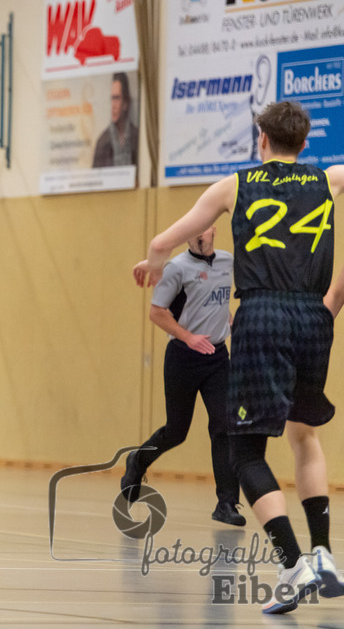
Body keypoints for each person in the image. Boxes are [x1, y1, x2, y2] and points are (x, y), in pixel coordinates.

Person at [132, 101, 344, 615]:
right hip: (314, 318)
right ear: (305, 141)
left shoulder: (234, 184)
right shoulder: (331, 179)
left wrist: (152, 264)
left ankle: (292, 562)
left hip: (262, 314)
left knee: (243, 450)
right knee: (304, 434)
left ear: (262, 140)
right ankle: (324, 554)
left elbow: (165, 241)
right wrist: (332, 300)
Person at [121, 226, 244, 527]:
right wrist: (188, 337)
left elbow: (216, 302)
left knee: (224, 427)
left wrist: (229, 322)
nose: (200, 235)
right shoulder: (177, 268)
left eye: (204, 228)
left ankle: (227, 504)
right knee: (177, 431)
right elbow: (157, 312)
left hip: (216, 357)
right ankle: (137, 461)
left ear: (214, 230)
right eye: (194, 231)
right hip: (183, 357)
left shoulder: (228, 262)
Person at [92, 71, 139, 168]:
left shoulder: (136, 137)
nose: (113, 105)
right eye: (112, 99)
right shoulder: (102, 142)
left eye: (117, 98)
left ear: (125, 103)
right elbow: (95, 180)